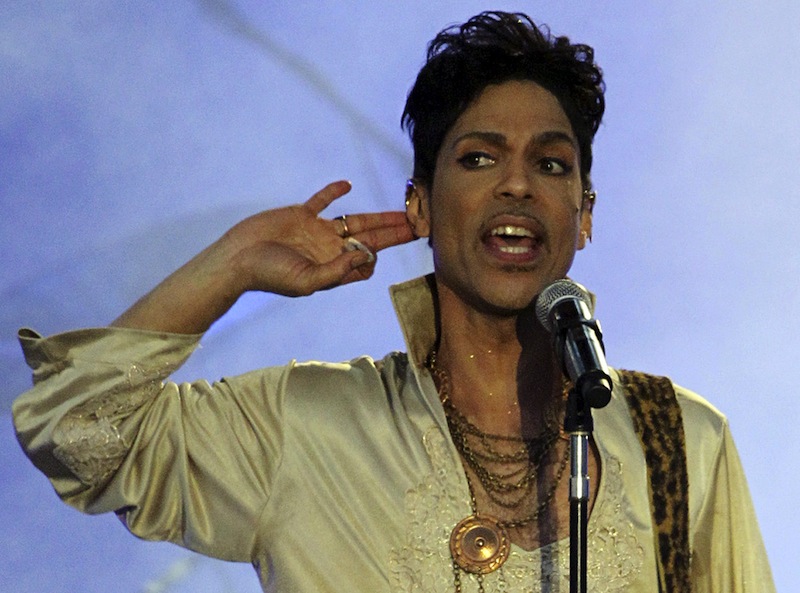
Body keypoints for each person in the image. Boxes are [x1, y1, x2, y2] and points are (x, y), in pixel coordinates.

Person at [12, 11, 774, 593]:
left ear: (584, 214)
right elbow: (80, 433)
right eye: (478, 157)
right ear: (419, 208)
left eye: (551, 162)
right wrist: (236, 260)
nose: (517, 183)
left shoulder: (681, 443)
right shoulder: (305, 426)